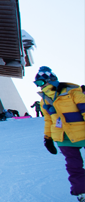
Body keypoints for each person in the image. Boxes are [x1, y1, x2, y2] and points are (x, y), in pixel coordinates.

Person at [36, 66, 85, 202]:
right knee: (73, 166)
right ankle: (82, 191)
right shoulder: (44, 100)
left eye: (41, 82)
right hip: (63, 137)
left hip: (82, 133)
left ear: (51, 80)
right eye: (37, 83)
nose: (39, 86)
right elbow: (48, 121)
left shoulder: (73, 92)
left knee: (74, 165)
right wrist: (48, 137)